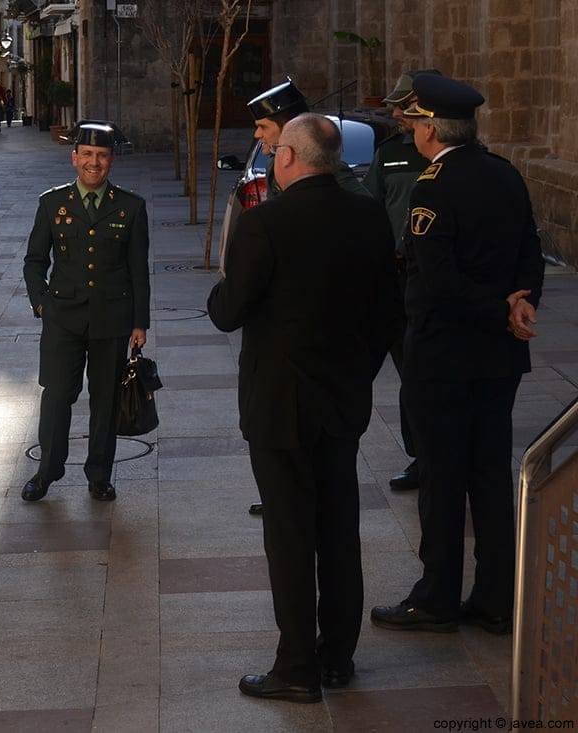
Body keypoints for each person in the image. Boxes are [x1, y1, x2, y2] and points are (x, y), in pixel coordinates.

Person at [207, 114, 398, 702]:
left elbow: (227, 310)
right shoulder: (368, 216)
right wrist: (354, 375)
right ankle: (338, 655)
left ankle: (296, 668)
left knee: (290, 534)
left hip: (278, 405)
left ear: (289, 157)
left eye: (275, 147)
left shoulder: (266, 222)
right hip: (341, 399)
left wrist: (223, 282)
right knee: (339, 527)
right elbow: (389, 314)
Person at [371, 74, 544, 636]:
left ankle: (437, 596)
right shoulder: (504, 173)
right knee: (490, 475)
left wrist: (502, 309)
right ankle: (497, 598)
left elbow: (439, 283)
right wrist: (519, 304)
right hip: (499, 356)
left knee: (443, 479)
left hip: (443, 357)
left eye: (413, 123)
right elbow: (530, 254)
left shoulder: (432, 186)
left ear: (427, 129)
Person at [237, 77, 371, 516]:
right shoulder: (279, 178)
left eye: (263, 127)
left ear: (287, 131)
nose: (258, 136)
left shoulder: (339, 186)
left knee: (319, 509)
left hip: (317, 364)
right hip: (307, 370)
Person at [21, 123, 151, 503]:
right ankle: (47, 472)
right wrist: (41, 301)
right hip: (63, 318)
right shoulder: (52, 203)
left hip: (112, 319)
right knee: (57, 396)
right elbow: (34, 261)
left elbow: (138, 269)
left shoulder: (130, 206)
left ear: (111, 160)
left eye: (103, 156)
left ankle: (99, 475)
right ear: (74, 158)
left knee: (105, 401)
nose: (95, 163)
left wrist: (139, 321)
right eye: (88, 155)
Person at [363, 69, 442, 493]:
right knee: (409, 371)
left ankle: (443, 453)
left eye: (402, 106)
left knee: (437, 371)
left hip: (441, 282)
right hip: (397, 280)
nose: (394, 112)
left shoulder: (453, 157)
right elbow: (368, 208)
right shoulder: (389, 153)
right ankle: (420, 456)